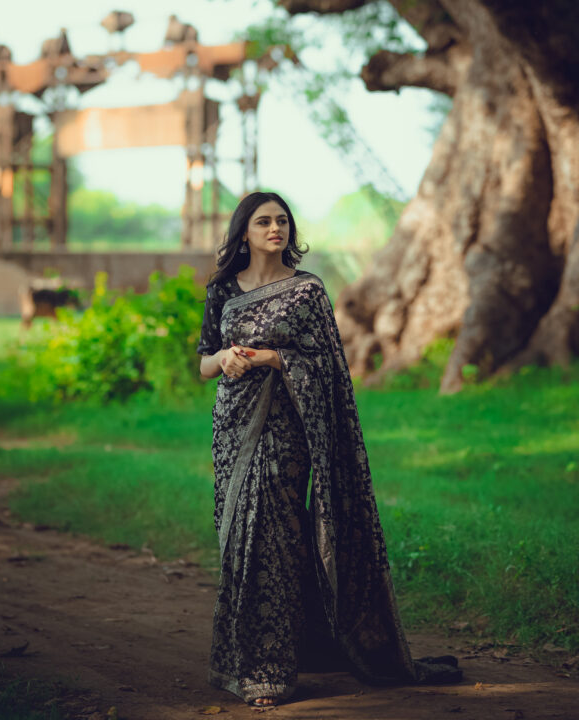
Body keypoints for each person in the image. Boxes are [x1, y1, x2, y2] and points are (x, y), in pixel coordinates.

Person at [197, 191, 462, 708]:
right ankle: (239, 660)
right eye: (264, 221)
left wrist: (275, 357)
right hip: (233, 432)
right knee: (238, 543)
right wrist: (226, 356)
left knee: (273, 538)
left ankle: (270, 671)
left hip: (286, 432)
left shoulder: (306, 292)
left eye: (282, 221)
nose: (276, 228)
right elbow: (203, 361)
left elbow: (330, 370)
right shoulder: (222, 291)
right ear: (243, 233)